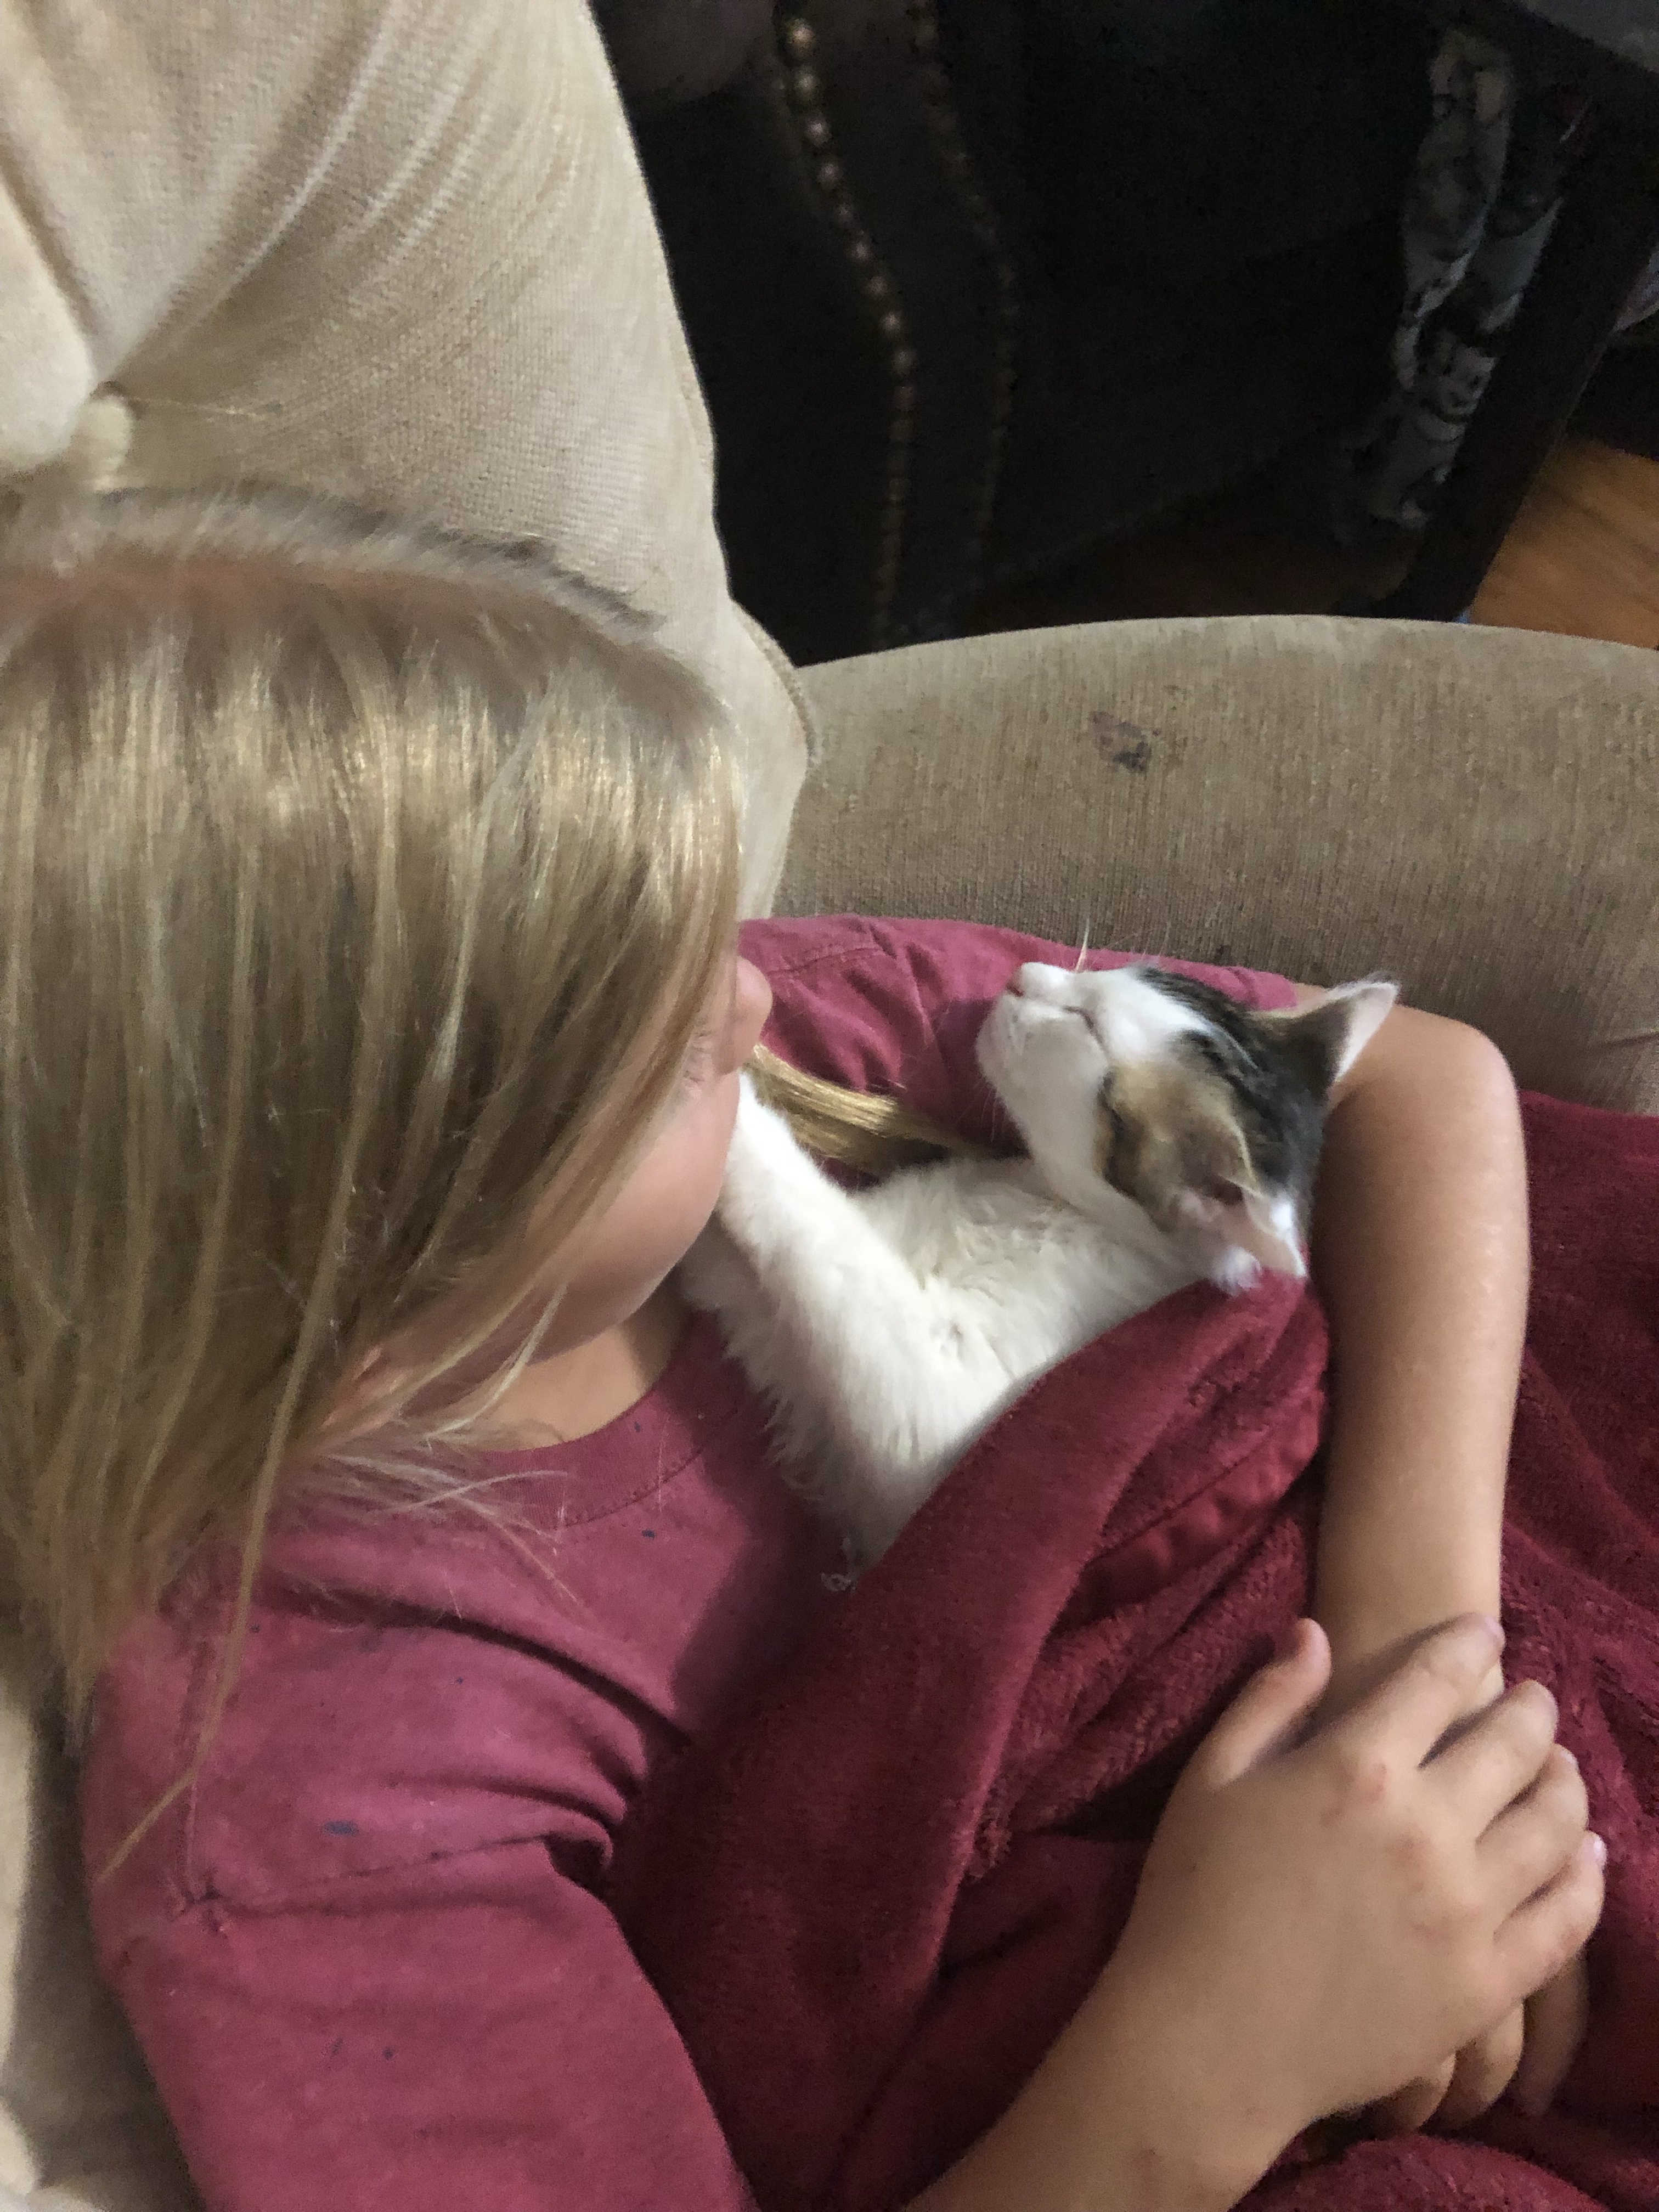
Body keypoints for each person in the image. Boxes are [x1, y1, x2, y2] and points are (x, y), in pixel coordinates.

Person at [0, 487, 1599, 2211]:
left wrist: (1417, 1686)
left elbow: (1410, 1080)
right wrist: (1222, 2049)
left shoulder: (786, 1056)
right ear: (363, 1288)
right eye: (658, 1041)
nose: (750, 997)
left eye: (706, 940)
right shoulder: (317, 1806)